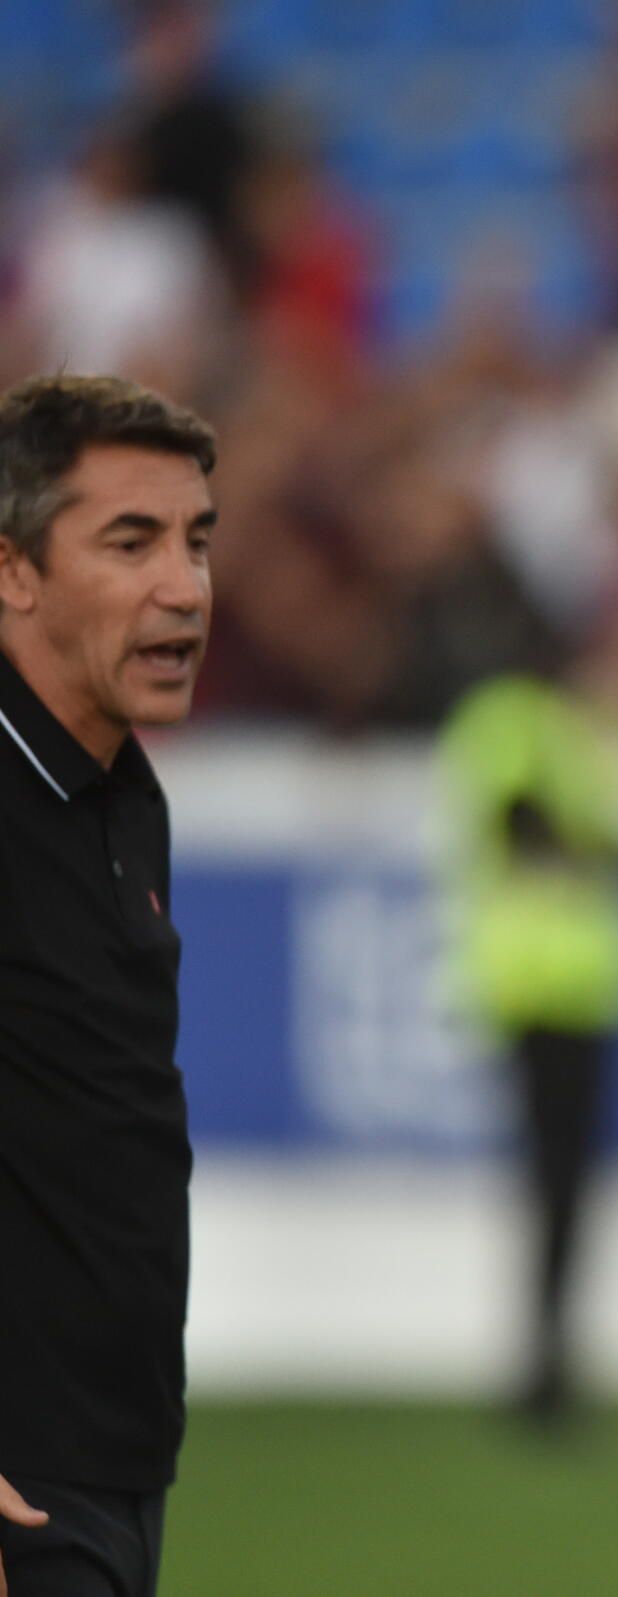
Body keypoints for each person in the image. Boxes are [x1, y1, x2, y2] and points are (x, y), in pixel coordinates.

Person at [0, 375, 219, 1597]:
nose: (184, 586)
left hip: (115, 1469)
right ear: (13, 570)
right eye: (129, 542)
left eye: (198, 540)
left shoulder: (120, 795)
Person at [435, 672, 618, 1426]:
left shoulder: (581, 721)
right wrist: (604, 849)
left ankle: (550, 1350)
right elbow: (520, 825)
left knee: (565, 1184)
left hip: (587, 988)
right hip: (538, 988)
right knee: (554, 1180)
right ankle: (543, 1358)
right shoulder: (517, 719)